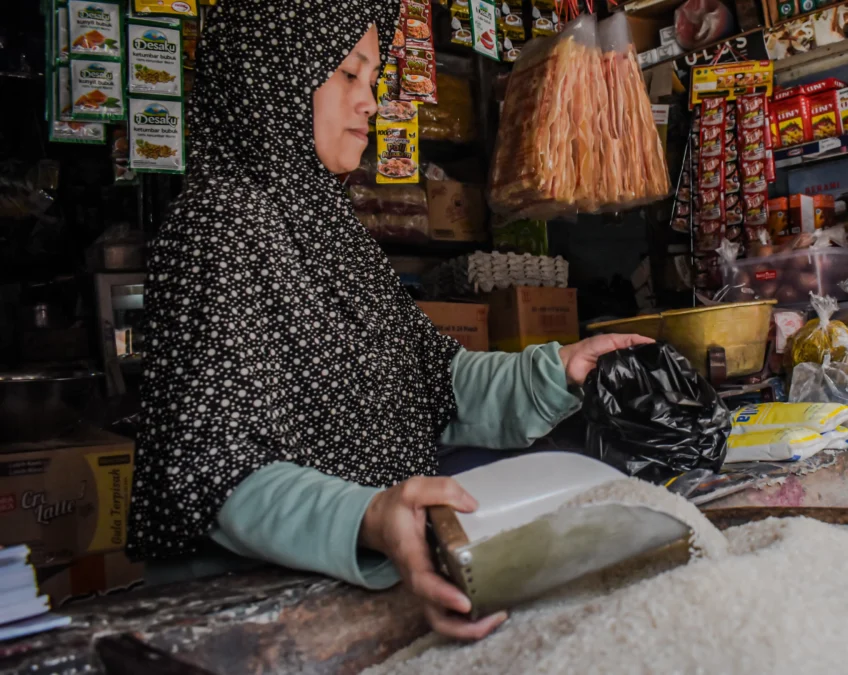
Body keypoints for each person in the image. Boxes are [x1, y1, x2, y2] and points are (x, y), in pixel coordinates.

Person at [125, 0, 650, 641]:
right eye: (349, 73)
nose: (370, 102)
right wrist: (370, 515)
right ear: (276, 75)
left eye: (370, 79)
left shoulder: (329, 230)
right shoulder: (219, 224)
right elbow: (220, 467)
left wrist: (558, 369)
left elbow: (435, 382)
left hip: (356, 596)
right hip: (250, 623)